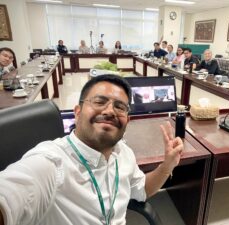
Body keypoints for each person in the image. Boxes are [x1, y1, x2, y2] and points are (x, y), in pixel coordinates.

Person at [0, 74, 183, 225]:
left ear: (128, 120)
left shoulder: (124, 152)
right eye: (99, 101)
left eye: (119, 107)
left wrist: (167, 166)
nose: (110, 111)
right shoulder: (51, 163)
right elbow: (9, 196)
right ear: (77, 112)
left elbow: (141, 190)